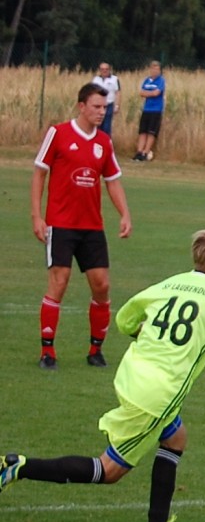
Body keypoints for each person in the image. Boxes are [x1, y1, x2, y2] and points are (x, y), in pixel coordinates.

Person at [0, 228, 205, 522]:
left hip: (132, 375)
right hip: (156, 396)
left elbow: (124, 320)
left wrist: (146, 335)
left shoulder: (169, 284)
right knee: (108, 470)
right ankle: (18, 467)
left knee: (176, 436)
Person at [31, 82, 133, 369]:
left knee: (102, 285)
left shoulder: (104, 142)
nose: (102, 112)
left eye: (105, 107)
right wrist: (37, 217)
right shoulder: (58, 133)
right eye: (97, 107)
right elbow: (39, 174)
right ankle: (47, 352)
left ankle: (95, 350)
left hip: (92, 227)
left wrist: (125, 214)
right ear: (82, 106)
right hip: (60, 224)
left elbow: (112, 181)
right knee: (59, 282)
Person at [133, 60, 165, 161]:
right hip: (146, 109)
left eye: (157, 69)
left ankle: (145, 152)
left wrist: (148, 93)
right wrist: (150, 93)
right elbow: (141, 93)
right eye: (153, 69)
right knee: (143, 131)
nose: (155, 71)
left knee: (151, 132)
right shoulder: (147, 80)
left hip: (156, 110)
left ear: (159, 70)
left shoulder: (161, 81)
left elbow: (157, 93)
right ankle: (139, 152)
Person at [91, 62, 121, 136]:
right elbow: (91, 92)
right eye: (102, 69)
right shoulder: (96, 79)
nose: (104, 71)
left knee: (106, 127)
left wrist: (117, 106)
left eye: (106, 69)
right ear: (100, 70)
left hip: (108, 105)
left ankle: (106, 141)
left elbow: (118, 93)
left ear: (109, 70)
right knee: (97, 125)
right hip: (97, 106)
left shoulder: (114, 79)